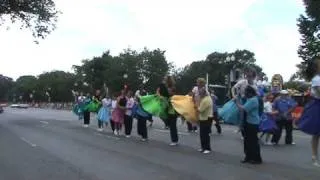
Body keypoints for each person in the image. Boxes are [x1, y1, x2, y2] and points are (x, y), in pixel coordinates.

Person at [298, 56, 320, 167]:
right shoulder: (317, 79)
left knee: (317, 134)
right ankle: (314, 156)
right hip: (317, 106)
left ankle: (314, 156)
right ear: (316, 67)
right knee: (316, 133)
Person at [234, 86, 263, 164]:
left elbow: (243, 109)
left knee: (253, 141)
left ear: (250, 93)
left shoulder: (253, 100)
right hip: (248, 122)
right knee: (247, 141)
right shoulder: (250, 99)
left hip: (253, 123)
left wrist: (236, 102)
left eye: (246, 92)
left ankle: (256, 158)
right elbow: (242, 97)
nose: (245, 94)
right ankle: (248, 157)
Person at [197, 87, 213, 154]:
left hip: (206, 118)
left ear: (203, 94)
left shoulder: (205, 100)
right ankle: (203, 147)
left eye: (200, 94)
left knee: (205, 134)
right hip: (205, 118)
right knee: (202, 134)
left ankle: (207, 148)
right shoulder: (207, 98)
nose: (199, 95)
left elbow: (200, 110)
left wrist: (196, 106)